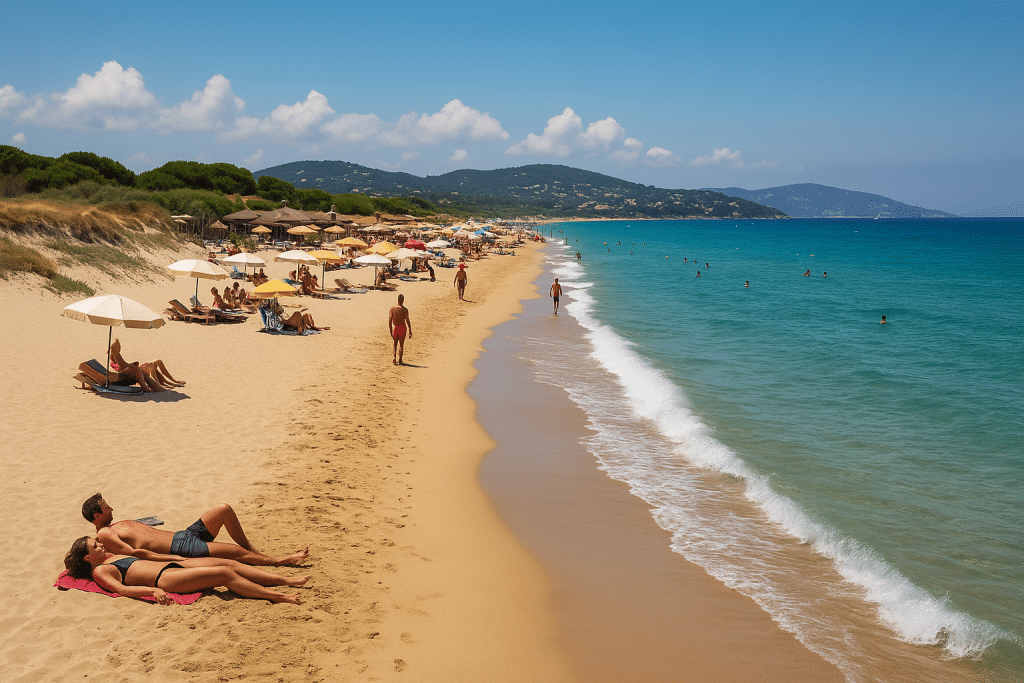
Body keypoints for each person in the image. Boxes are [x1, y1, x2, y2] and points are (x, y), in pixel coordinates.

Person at [82, 493, 309, 566]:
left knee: (223, 509)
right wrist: (174, 558)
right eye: (106, 507)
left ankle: (254, 551)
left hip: (185, 535)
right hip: (182, 547)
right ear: (96, 516)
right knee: (234, 553)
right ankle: (279, 561)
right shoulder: (104, 534)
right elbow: (134, 554)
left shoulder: (113, 526)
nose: (111, 508)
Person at [64, 537, 307, 605]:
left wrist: (175, 557)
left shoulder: (109, 557)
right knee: (224, 575)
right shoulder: (100, 572)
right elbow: (121, 589)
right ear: (87, 557)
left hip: (172, 566)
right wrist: (153, 590)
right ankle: (279, 596)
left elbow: (144, 555)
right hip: (166, 578)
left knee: (227, 563)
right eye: (94, 546)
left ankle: (285, 580)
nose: (100, 544)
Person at [109, 338, 183, 390]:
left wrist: (133, 364)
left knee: (154, 368)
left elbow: (122, 366)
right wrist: (132, 365)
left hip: (134, 370)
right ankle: (169, 383)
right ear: (116, 347)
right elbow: (123, 366)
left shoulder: (113, 357)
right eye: (119, 346)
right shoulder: (116, 355)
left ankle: (167, 383)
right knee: (155, 364)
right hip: (134, 371)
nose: (120, 347)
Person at [389, 294, 413, 365]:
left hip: (396, 327)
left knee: (395, 343)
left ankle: (394, 357)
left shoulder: (392, 309)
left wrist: (390, 331)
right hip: (402, 327)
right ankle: (400, 360)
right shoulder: (405, 310)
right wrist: (410, 330)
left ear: (398, 299)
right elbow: (407, 320)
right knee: (401, 345)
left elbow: (390, 321)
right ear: (403, 300)